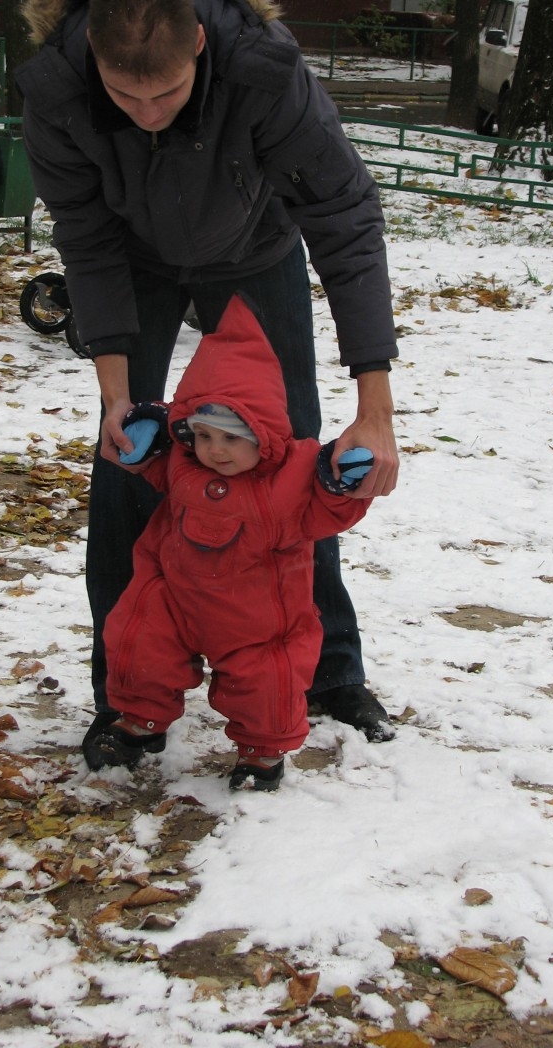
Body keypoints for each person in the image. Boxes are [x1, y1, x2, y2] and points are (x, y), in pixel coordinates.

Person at [16, 0, 399, 770]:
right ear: (92, 57)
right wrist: (115, 395)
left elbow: (344, 221)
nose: (145, 114)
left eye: (165, 95)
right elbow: (85, 238)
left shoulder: (263, 72)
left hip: (255, 251)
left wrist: (374, 406)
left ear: (198, 48)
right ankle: (126, 694)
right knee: (127, 461)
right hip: (136, 263)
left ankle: (326, 669)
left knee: (292, 462)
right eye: (125, 96)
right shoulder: (57, 91)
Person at [100, 295, 373, 791]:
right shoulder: (186, 462)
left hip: (256, 613)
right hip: (175, 594)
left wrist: (343, 480)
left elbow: (328, 508)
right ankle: (140, 721)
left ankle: (261, 752)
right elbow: (158, 458)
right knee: (140, 643)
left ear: (263, 432)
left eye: (231, 438)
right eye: (202, 436)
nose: (214, 451)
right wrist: (144, 441)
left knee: (266, 678)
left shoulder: (293, 476)